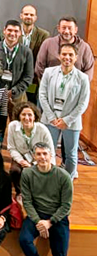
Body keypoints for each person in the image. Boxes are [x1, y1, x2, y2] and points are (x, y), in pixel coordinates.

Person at [19, 143, 73, 256]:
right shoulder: (27, 174)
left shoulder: (63, 176)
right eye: (38, 154)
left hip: (57, 218)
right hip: (37, 216)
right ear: (34, 156)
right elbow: (27, 201)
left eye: (44, 154)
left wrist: (50, 222)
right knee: (24, 239)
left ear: (51, 155)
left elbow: (66, 206)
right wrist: (39, 222)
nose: (41, 157)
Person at [38, 43, 90, 179]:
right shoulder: (49, 72)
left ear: (76, 57)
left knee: (72, 154)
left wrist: (67, 120)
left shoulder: (83, 78)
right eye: (64, 54)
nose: (67, 57)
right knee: (48, 151)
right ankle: (48, 178)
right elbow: (42, 95)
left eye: (71, 55)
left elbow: (83, 103)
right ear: (59, 56)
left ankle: (68, 180)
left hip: (71, 122)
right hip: (50, 119)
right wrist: (51, 117)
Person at [0, 19, 35, 114]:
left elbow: (28, 77)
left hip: (18, 97)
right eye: (10, 30)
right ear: (4, 31)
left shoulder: (27, 52)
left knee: (17, 125)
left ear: (20, 33)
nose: (12, 34)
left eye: (16, 31)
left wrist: (13, 91)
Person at [6, 102, 51, 184]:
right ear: (19, 116)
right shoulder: (12, 126)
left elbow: (50, 151)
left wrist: (34, 164)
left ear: (34, 117)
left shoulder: (43, 129)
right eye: (23, 114)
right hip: (20, 157)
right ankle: (19, 192)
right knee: (14, 171)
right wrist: (21, 161)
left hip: (39, 159)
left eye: (30, 115)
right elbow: (12, 148)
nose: (26, 118)